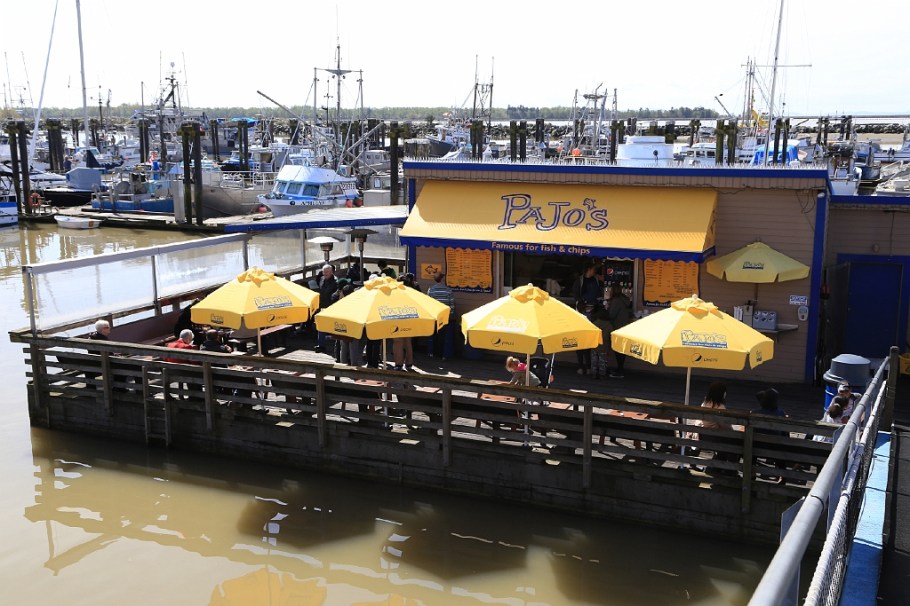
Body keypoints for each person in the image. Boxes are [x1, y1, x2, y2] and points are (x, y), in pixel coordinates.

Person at [572, 263, 603, 375]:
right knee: (580, 340)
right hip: (581, 313)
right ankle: (580, 365)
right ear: (588, 269)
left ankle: (589, 366)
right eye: (594, 269)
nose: (595, 271)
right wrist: (581, 304)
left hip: (593, 313)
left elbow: (601, 291)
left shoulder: (596, 279)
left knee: (589, 341)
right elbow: (576, 296)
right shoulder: (579, 281)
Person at [605, 282, 632, 378]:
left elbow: (611, 315)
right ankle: (620, 369)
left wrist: (607, 308)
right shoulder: (625, 300)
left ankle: (620, 371)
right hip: (624, 327)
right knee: (621, 350)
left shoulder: (616, 301)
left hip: (617, 327)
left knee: (618, 350)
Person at [426, 272, 455, 360]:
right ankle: (442, 354)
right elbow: (452, 306)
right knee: (443, 336)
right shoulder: (448, 290)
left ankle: (432, 353)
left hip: (434, 316)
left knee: (433, 335)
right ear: (442, 279)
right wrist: (451, 314)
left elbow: (428, 303)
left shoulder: (431, 290)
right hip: (445, 316)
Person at [392, 274, 418, 370]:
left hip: (398, 318)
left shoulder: (396, 294)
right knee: (408, 341)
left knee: (397, 342)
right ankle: (409, 363)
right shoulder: (412, 293)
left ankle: (398, 364)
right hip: (410, 318)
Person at [314, 264, 337, 354]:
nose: (325, 273)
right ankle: (321, 345)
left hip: (331, 306)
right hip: (322, 305)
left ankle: (336, 345)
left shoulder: (335, 281)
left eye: (327, 272)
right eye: (324, 272)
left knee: (333, 326)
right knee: (320, 325)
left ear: (331, 272)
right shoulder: (322, 279)